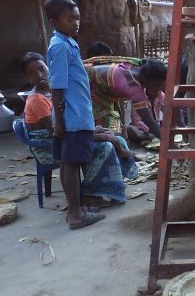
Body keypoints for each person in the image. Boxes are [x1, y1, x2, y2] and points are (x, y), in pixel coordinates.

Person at [22, 52, 138, 206]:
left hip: (66, 135)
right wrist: (99, 136)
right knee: (105, 146)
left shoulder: (52, 92)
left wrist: (96, 131)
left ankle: (111, 188)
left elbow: (68, 123)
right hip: (51, 145)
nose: (39, 75)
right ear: (28, 78)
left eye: (42, 69)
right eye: (32, 73)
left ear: (48, 68)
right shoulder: (38, 100)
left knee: (116, 137)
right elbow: (57, 133)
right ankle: (89, 193)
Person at [45, 0, 103, 229]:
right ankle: (76, 214)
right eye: (70, 19)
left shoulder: (68, 42)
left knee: (69, 163)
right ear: (54, 21)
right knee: (70, 164)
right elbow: (57, 85)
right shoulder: (59, 46)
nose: (76, 23)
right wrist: (59, 122)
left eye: (77, 18)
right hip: (72, 117)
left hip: (76, 114)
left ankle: (74, 209)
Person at [82, 50, 167, 139]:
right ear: (146, 80)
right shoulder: (135, 88)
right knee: (110, 132)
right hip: (87, 84)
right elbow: (149, 121)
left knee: (114, 130)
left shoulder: (137, 66)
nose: (159, 89)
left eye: (161, 85)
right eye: (156, 85)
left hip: (97, 84)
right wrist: (166, 141)